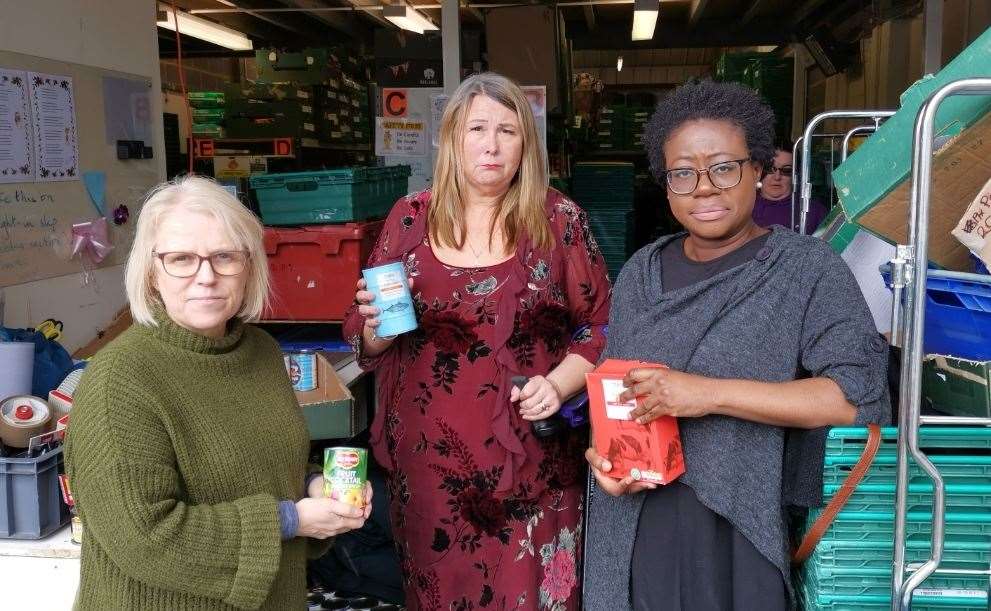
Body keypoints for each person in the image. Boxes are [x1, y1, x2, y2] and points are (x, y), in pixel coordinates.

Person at [583, 80, 890, 611]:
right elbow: (617, 394)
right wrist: (604, 461)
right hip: (635, 526)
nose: (704, 188)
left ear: (757, 171)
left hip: (737, 529)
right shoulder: (641, 272)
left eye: (723, 167)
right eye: (683, 173)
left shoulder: (805, 270)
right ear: (666, 184)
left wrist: (706, 395)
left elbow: (853, 399)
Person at [342, 72, 610, 610]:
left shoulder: (559, 220)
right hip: (429, 465)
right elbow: (363, 332)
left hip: (533, 462)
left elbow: (601, 325)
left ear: (525, 145)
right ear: (452, 139)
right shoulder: (411, 217)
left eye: (507, 131)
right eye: (476, 128)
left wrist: (557, 386)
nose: (490, 144)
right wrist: (371, 330)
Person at [65, 176, 371, 610]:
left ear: (249, 266)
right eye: (181, 258)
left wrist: (314, 485)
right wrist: (291, 519)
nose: (205, 276)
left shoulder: (262, 352)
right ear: (152, 271)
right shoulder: (120, 379)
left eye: (224, 256)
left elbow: (260, 462)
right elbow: (145, 537)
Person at [752, 139, 828, 233]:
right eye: (770, 169)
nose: (777, 177)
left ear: (796, 174)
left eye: (786, 170)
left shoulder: (813, 211)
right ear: (758, 170)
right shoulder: (744, 207)